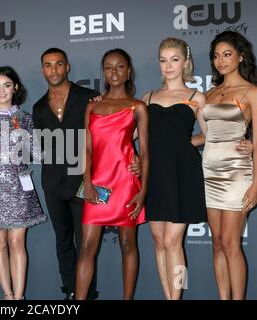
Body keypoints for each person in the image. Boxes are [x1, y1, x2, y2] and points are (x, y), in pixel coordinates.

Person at [32, 48, 140, 299]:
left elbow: (115, 129)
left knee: (86, 244)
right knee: (63, 242)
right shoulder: (38, 107)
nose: (54, 70)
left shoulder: (91, 98)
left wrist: (134, 155)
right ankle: (70, 292)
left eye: (59, 64)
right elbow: (43, 146)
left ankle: (87, 295)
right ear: (43, 70)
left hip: (86, 182)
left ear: (67, 67)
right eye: (48, 65)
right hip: (53, 182)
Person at [75, 49, 148, 300]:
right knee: (85, 247)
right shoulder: (92, 106)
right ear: (103, 72)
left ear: (128, 71)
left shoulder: (137, 107)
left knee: (128, 245)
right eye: (108, 67)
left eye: (119, 67)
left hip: (126, 183)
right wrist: (88, 183)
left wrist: (143, 191)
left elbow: (145, 152)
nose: (114, 72)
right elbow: (86, 147)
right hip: (97, 183)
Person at [0, 66, 46, 300]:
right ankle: (7, 294)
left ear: (15, 87)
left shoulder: (25, 118)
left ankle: (19, 297)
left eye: (6, 85)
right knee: (0, 243)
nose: (1, 91)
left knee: (17, 242)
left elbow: (37, 152)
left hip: (19, 187)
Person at [142, 38, 207, 300]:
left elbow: (209, 135)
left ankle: (176, 297)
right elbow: (134, 134)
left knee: (173, 242)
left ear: (185, 62)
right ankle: (168, 296)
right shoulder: (147, 97)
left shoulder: (196, 97)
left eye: (174, 59)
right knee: (158, 242)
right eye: (163, 60)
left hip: (182, 172)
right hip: (154, 173)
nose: (168, 66)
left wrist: (186, 143)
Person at [197, 31, 257, 300]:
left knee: (232, 244)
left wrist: (256, 184)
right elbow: (208, 135)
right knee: (217, 243)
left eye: (227, 54)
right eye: (217, 56)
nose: (220, 60)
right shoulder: (209, 94)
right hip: (210, 173)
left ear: (240, 56)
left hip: (237, 173)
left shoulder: (251, 92)